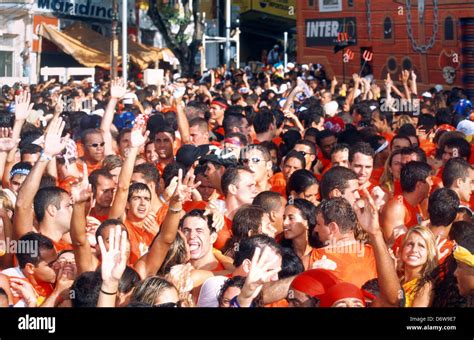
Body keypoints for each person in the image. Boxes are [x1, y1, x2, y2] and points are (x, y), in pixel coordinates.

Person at [311, 197, 377, 288]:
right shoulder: (375, 254)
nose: (315, 229)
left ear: (332, 228)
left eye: (318, 224)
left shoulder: (317, 257)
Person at [381, 161, 432, 244]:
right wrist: (420, 230)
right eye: (429, 180)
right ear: (419, 185)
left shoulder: (417, 205)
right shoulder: (397, 207)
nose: (432, 184)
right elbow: (394, 244)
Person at [399, 226, 439, 307]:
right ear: (402, 249)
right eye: (410, 244)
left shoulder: (425, 286)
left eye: (421, 246)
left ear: (429, 253)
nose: (414, 250)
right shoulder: (398, 279)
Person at [281, 198, 316, 270]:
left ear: (307, 223)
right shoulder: (280, 254)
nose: (284, 223)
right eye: (284, 218)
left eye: (291, 218)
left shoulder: (320, 252)